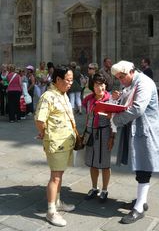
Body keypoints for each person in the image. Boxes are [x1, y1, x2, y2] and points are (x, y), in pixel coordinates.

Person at [110, 60, 159, 224]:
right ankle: (141, 200)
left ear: (131, 71)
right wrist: (118, 98)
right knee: (140, 166)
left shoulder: (144, 83)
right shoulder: (131, 83)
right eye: (118, 78)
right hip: (136, 129)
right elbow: (126, 102)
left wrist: (116, 120)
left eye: (122, 77)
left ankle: (140, 208)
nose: (121, 81)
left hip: (145, 130)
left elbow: (137, 108)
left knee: (143, 167)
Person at [35, 67, 76, 227]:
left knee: (59, 174)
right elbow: (39, 120)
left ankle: (57, 202)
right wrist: (45, 133)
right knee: (55, 176)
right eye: (68, 80)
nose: (70, 83)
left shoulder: (62, 94)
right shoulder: (48, 96)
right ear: (58, 80)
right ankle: (51, 211)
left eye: (72, 80)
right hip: (55, 143)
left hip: (65, 142)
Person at [82, 73, 115, 202]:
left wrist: (112, 137)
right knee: (92, 163)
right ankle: (94, 188)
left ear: (105, 85)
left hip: (105, 133)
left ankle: (105, 189)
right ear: (93, 86)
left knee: (105, 164)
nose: (99, 87)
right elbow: (87, 117)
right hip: (91, 133)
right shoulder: (88, 100)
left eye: (101, 84)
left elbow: (115, 122)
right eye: (96, 84)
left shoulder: (111, 100)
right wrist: (84, 133)